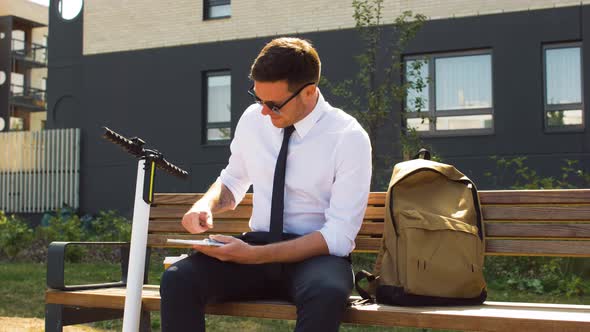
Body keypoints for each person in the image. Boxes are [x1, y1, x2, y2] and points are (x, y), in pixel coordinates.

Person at [160, 37, 372, 332]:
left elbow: (339, 235)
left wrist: (253, 256)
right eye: (257, 99)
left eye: (272, 105)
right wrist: (205, 205)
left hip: (315, 257)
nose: (262, 111)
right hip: (256, 246)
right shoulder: (253, 120)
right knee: (179, 278)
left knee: (326, 293)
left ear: (309, 92)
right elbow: (232, 180)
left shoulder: (349, 137)